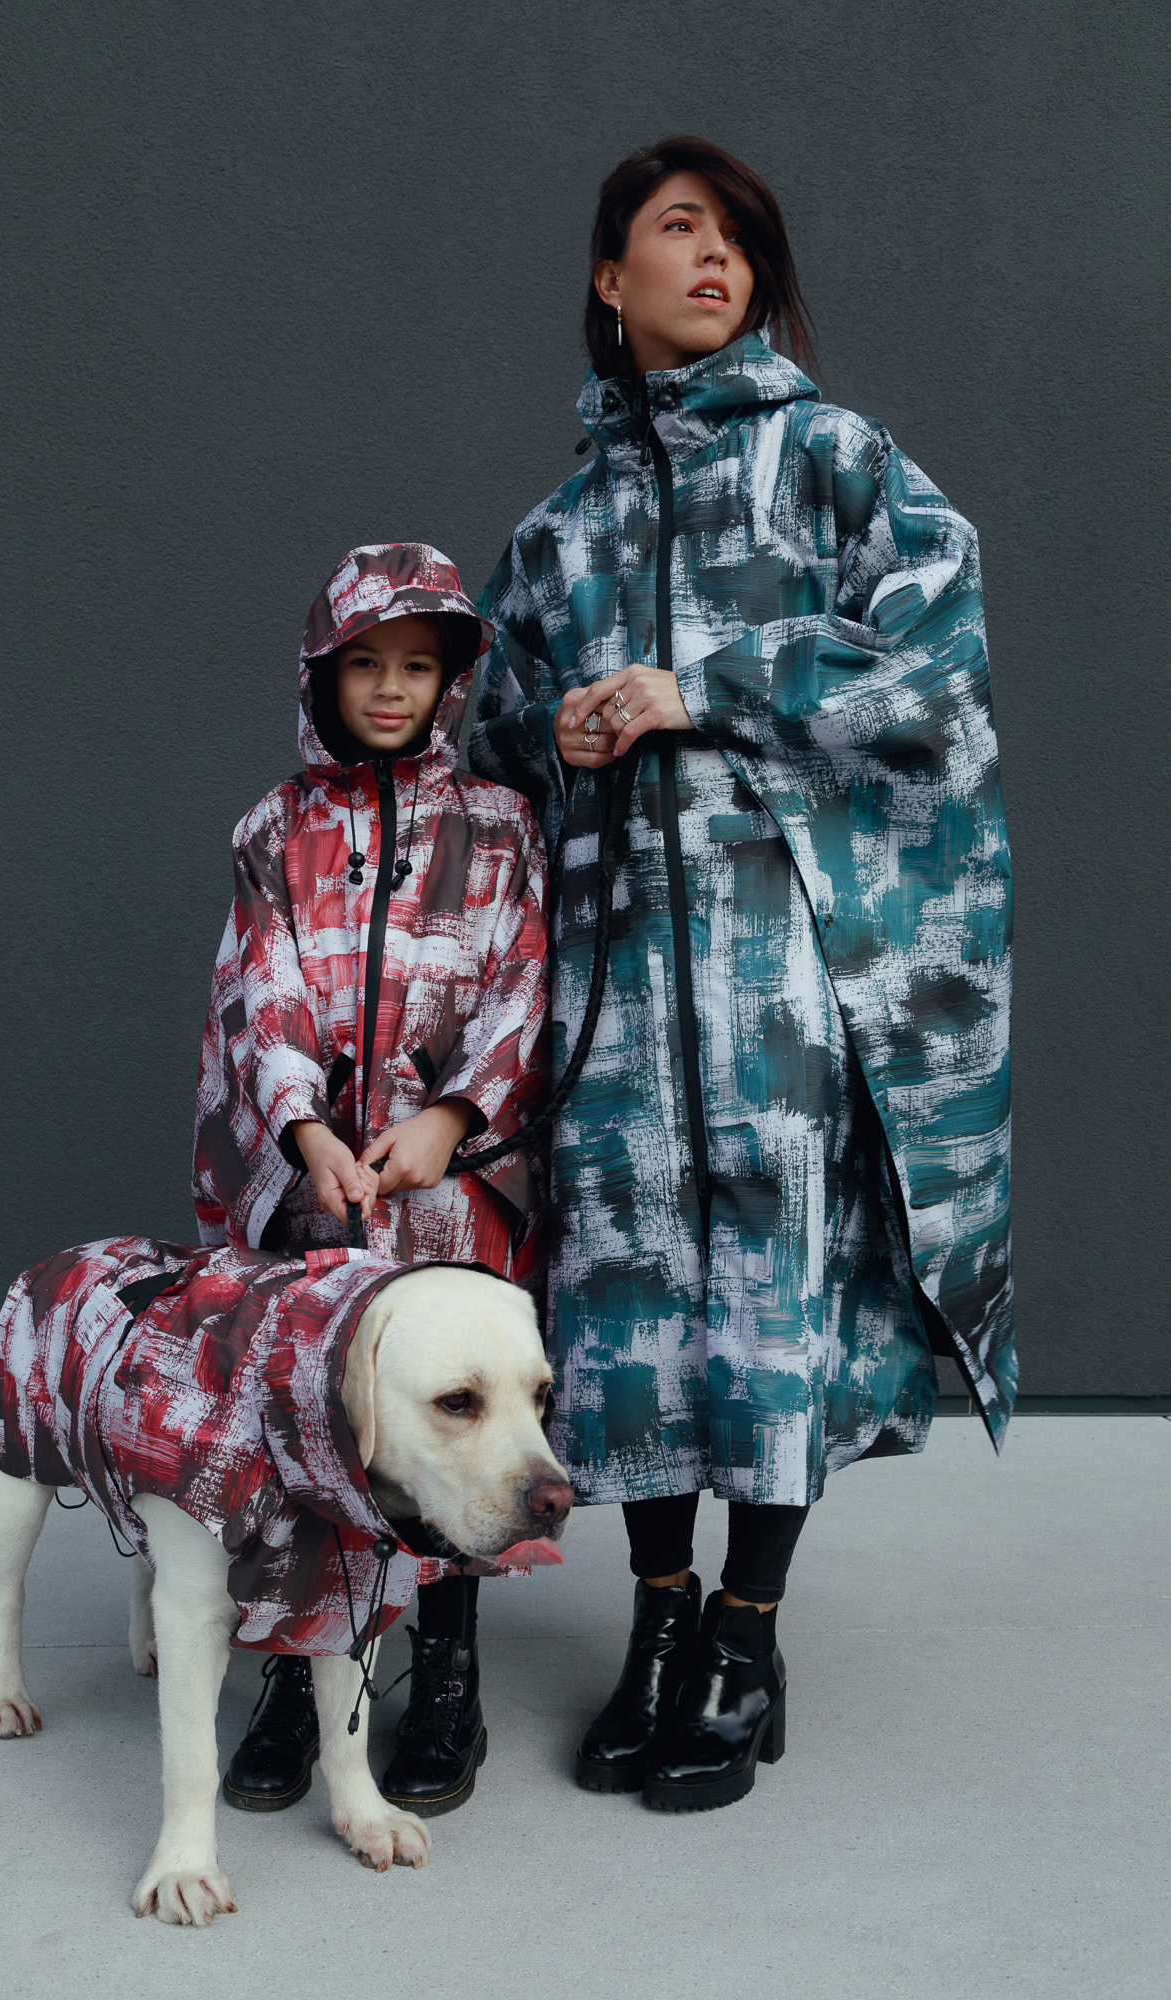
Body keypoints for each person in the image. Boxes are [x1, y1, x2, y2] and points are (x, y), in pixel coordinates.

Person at [470, 136, 1014, 1812]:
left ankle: (746, 1632)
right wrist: (558, 735)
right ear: (607, 276)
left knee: (769, 1301)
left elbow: (932, 643)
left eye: (739, 241)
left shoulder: (832, 459)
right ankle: (655, 1620)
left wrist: (700, 681)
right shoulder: (557, 532)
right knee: (630, 1307)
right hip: (614, 992)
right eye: (678, 230)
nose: (716, 261)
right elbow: (488, 747)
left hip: (779, 969)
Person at [193, 542, 549, 1818]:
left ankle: (445, 1670)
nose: (391, 689)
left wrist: (450, 1116)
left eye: (417, 666)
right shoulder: (274, 829)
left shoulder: (501, 825)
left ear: (452, 681)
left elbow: (523, 981)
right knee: (309, 1416)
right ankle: (301, 1669)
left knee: (451, 1419)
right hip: (316, 1193)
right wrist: (303, 1131)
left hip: (450, 1191)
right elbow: (262, 990)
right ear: (321, 675)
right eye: (364, 665)